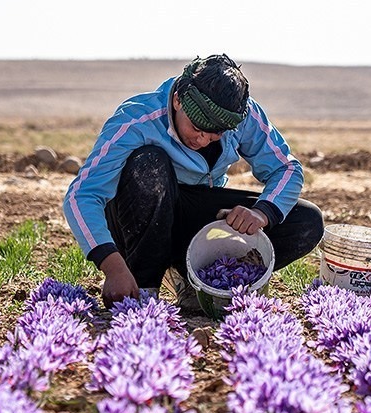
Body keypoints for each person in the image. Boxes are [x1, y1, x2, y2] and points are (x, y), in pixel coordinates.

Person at [63, 54, 324, 309]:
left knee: (306, 221)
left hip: (198, 212)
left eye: (215, 134)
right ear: (178, 100)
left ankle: (195, 279)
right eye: (196, 128)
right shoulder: (137, 119)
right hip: (140, 218)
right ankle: (144, 286)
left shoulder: (242, 115)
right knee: (148, 163)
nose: (201, 140)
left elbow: (287, 168)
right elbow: (82, 195)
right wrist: (112, 266)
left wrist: (262, 212)